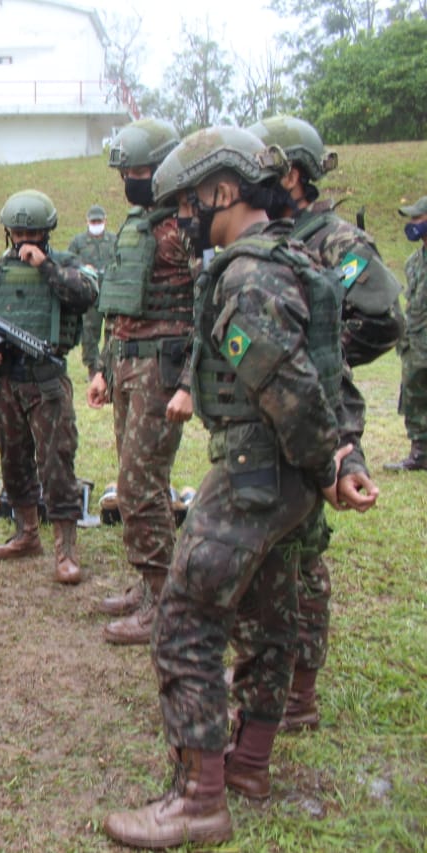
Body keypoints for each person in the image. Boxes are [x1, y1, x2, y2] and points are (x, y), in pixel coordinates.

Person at [102, 127, 368, 849]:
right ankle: (248, 765)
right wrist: (341, 459)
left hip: (256, 473)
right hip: (289, 484)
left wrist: (326, 462)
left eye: (191, 201)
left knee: (186, 620)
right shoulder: (294, 260)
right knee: (269, 616)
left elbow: (291, 384)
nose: (183, 216)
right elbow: (333, 375)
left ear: (224, 192)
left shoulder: (246, 277)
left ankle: (199, 798)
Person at [248, 115, 397, 730]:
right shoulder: (273, 239)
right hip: (273, 408)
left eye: (264, 171)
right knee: (271, 543)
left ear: (291, 175)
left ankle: (299, 695)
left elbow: (384, 316)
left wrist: (321, 355)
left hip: (318, 408)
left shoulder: (335, 240)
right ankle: (269, 675)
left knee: (305, 551)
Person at [86, 118, 195, 647]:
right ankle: (150, 586)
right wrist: (106, 369)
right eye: (124, 172)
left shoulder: (184, 230)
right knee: (136, 484)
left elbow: (211, 306)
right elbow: (121, 308)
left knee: (139, 486)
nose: (129, 180)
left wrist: (189, 382)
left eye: (137, 171)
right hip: (128, 365)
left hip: (161, 370)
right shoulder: (138, 225)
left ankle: (164, 602)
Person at [0, 189, 97, 585]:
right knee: (13, 459)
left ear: (46, 232)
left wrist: (46, 267)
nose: (24, 241)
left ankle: (65, 550)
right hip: (6, 379)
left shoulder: (67, 265)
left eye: (32, 234)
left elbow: (87, 295)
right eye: (18, 234)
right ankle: (26, 534)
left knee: (56, 463)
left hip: (47, 380)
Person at [388, 195, 427, 470]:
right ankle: (420, 453)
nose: (412, 223)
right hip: (415, 343)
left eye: (417, 218)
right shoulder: (413, 261)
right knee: (414, 397)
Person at [67, 204, 117, 378]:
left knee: (113, 331)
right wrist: (82, 268)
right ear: (87, 221)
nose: (96, 224)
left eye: (99, 221)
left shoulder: (114, 240)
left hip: (110, 293)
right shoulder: (78, 242)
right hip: (90, 294)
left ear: (105, 221)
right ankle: (93, 368)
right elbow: (69, 263)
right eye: (93, 222)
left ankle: (110, 366)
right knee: (89, 333)